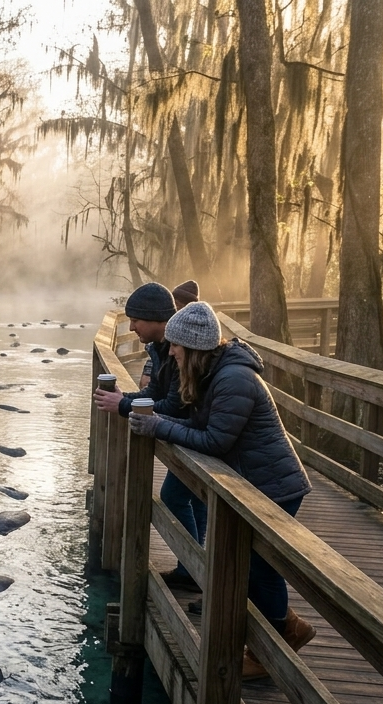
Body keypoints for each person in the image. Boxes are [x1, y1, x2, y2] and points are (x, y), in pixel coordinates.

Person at [127, 301, 316, 678]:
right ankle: (291, 626)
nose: (173, 351)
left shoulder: (234, 380)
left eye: (178, 346)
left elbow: (214, 440)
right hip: (253, 481)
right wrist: (159, 417)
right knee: (247, 566)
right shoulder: (212, 373)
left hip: (273, 486)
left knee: (257, 570)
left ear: (194, 347)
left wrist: (157, 427)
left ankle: (270, 649)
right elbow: (195, 419)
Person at [92, 283, 203, 590]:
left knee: (184, 498)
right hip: (191, 435)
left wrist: (124, 406)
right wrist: (124, 396)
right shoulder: (160, 346)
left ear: (156, 319)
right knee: (186, 498)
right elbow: (155, 393)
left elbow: (173, 405)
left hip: (202, 437)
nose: (132, 327)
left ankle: (197, 571)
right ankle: (193, 570)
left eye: (136, 320)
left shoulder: (179, 348)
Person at [139, 280, 199, 388]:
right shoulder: (168, 324)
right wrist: (148, 371)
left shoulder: (192, 335)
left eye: (178, 305)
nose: (175, 309)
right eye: (173, 303)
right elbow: (158, 351)